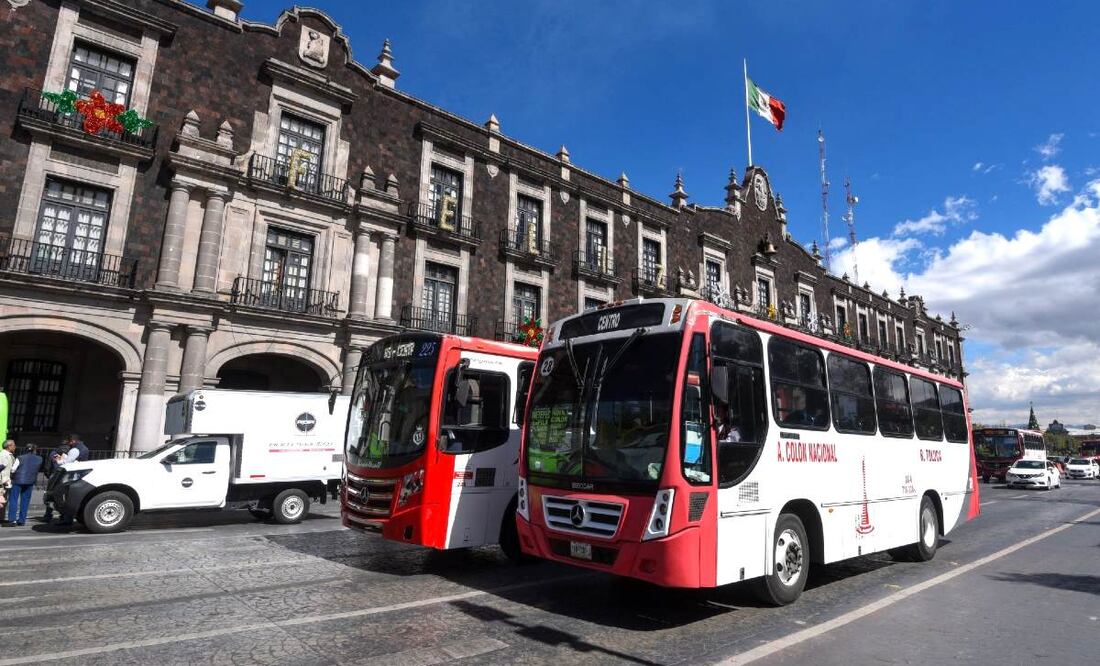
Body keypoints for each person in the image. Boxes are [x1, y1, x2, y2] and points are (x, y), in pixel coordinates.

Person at [6, 444, 42, 527]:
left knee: (14, 499)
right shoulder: (39, 459)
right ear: (35, 450)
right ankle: (22, 520)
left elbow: (13, 469)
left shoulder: (20, 457)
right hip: (30, 481)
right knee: (25, 501)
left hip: (17, 480)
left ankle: (12, 520)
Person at [0, 440, 15, 522]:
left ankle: (1, 518)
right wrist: (2, 481)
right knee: (1, 501)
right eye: (14, 445)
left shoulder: (8, 455)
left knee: (3, 501)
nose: (15, 447)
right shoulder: (4, 455)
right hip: (2, 482)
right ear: (9, 446)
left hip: (6, 481)